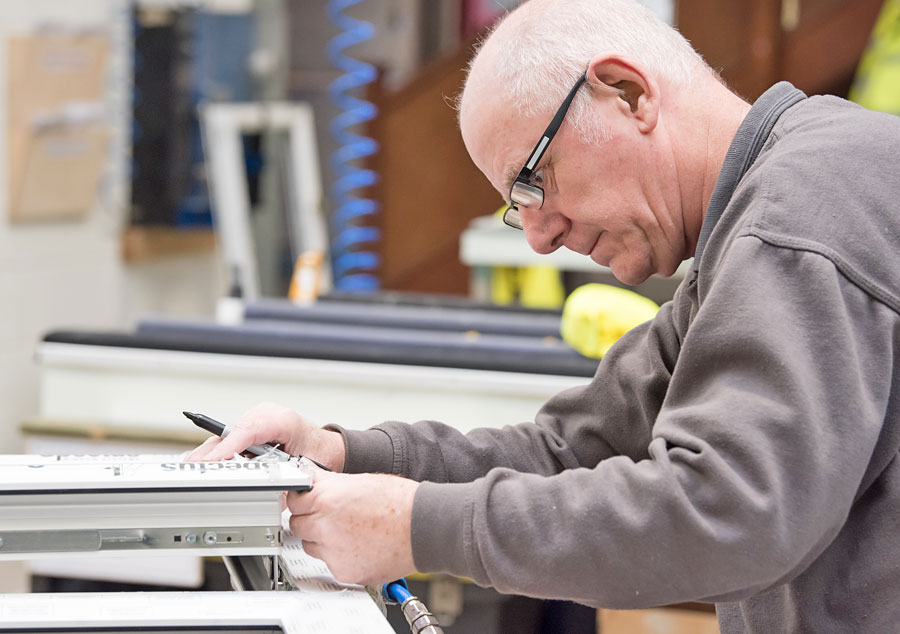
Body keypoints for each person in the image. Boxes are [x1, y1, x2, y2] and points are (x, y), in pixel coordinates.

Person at [187, 0, 900, 631]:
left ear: (628, 93)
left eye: (535, 180)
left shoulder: (798, 214)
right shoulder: (760, 218)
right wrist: (345, 455)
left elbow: (730, 514)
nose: (540, 235)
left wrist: (413, 527)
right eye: (517, 206)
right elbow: (575, 449)